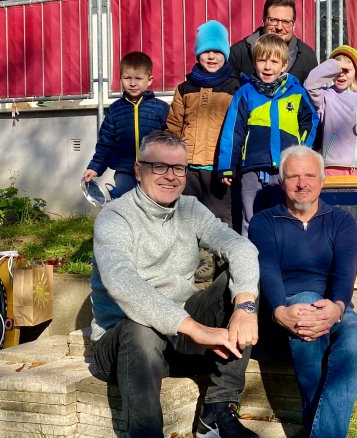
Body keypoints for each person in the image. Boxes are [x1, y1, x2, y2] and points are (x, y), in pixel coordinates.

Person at [89, 131, 261, 438]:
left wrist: (245, 305)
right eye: (159, 167)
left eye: (178, 168)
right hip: (124, 348)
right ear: (139, 170)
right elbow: (124, 284)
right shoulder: (114, 217)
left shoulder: (189, 208)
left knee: (236, 283)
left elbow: (240, 247)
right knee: (138, 327)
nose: (170, 177)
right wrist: (196, 329)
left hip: (176, 337)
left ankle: (218, 412)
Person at [248, 146, 357, 438]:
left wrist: (338, 307)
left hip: (333, 307)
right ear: (281, 182)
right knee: (304, 305)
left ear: (322, 180)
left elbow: (345, 273)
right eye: (293, 177)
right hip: (285, 312)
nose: (302, 184)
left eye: (309, 176)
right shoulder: (264, 222)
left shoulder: (341, 220)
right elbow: (267, 271)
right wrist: (279, 311)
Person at [216, 33, 319, 237]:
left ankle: (283, 259)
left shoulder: (296, 93)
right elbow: (232, 131)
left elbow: (311, 123)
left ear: (284, 65)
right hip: (252, 169)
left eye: (274, 61)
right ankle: (250, 264)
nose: (267, 66)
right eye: (262, 60)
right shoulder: (245, 93)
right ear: (254, 63)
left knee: (286, 215)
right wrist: (227, 167)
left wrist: (300, 153)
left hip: (285, 169)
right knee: (250, 218)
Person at [167, 20, 240, 225]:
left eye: (217, 52)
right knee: (186, 215)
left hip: (218, 167)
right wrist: (173, 159)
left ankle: (220, 256)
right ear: (198, 53)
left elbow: (238, 128)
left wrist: (232, 164)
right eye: (206, 51)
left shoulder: (234, 87)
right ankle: (190, 255)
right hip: (188, 167)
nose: (211, 56)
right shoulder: (185, 88)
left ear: (225, 54)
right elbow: (174, 126)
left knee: (219, 218)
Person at [83, 51, 169, 196]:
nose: (133, 83)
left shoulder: (161, 108)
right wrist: (95, 167)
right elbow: (105, 143)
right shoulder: (115, 110)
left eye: (138, 78)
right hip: (124, 172)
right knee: (127, 206)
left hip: (154, 170)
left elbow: (171, 140)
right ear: (120, 79)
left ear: (149, 80)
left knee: (153, 205)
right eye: (127, 78)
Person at [303, 45, 357, 176]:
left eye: (346, 70)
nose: (341, 74)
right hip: (333, 166)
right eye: (337, 70)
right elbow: (310, 84)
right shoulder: (325, 96)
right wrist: (333, 65)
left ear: (355, 73)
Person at [228, 0, 317, 83]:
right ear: (263, 21)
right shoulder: (239, 54)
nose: (279, 27)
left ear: (293, 25)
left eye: (286, 22)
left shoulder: (307, 57)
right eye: (273, 20)